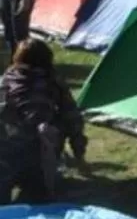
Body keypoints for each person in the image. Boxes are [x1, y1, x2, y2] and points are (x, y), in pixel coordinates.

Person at [0, 39, 87, 204]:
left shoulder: (6, 80)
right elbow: (72, 119)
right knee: (37, 202)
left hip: (4, 155)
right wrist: (79, 153)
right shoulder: (53, 83)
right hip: (38, 156)